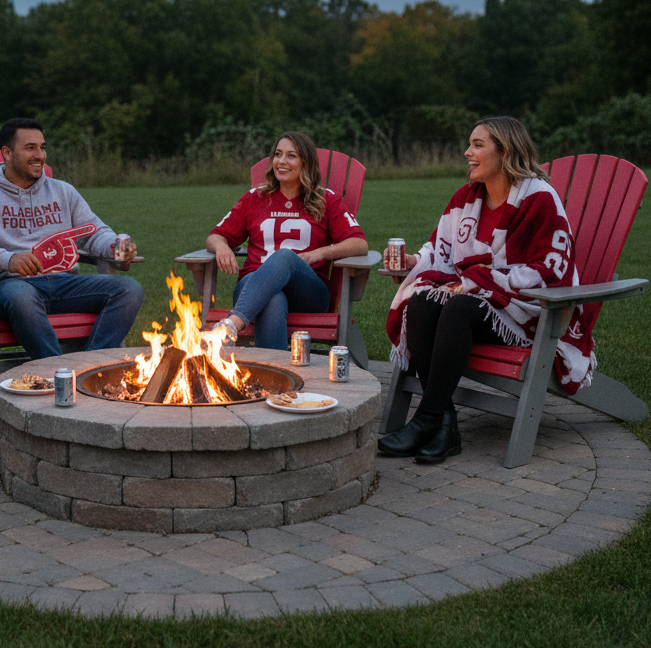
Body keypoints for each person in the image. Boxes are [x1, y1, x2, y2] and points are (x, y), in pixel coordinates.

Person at [378, 116, 593, 464]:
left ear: (505, 151)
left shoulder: (539, 200)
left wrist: (482, 282)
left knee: (459, 306)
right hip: (479, 304)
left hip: (524, 316)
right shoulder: (466, 198)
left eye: (478, 145)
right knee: (420, 301)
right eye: (470, 144)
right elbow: (440, 251)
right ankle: (442, 423)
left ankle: (427, 421)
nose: (468, 152)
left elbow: (552, 271)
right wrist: (412, 261)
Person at [0, 118, 143, 358]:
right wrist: (7, 259)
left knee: (129, 289)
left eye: (42, 147)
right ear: (7, 153)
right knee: (21, 296)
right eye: (30, 147)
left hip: (64, 283)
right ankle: (55, 372)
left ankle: (87, 368)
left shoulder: (63, 191)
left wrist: (115, 248)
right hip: (11, 286)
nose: (39, 155)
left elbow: (94, 232)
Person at [205, 131, 369, 350]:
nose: (281, 161)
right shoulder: (254, 198)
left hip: (309, 293)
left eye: (291, 156)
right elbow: (215, 236)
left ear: (305, 163)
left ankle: (233, 323)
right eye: (278, 154)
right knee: (273, 298)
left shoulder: (326, 200)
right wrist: (222, 246)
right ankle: (274, 380)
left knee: (284, 256)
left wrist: (320, 253)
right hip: (252, 285)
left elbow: (359, 243)